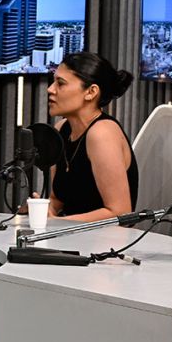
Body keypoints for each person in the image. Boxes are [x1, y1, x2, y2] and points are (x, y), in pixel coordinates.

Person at [46, 52, 138, 222]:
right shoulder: (61, 129)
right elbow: (57, 199)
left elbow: (120, 213)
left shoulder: (102, 134)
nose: (50, 89)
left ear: (91, 92)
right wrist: (42, 210)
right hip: (70, 233)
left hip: (106, 237)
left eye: (60, 83)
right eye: (53, 82)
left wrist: (57, 223)